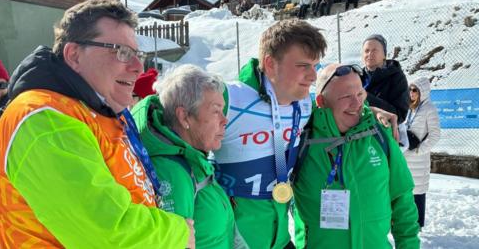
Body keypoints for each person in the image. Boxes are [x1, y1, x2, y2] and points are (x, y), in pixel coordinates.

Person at [0, 0, 194, 248]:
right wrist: (178, 233)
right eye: (121, 52)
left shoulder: (102, 110)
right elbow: (107, 234)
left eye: (138, 54)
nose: (138, 67)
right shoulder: (43, 118)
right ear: (74, 55)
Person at [214, 19, 327, 249]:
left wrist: (369, 112)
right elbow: (173, 109)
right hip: (235, 238)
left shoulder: (304, 104)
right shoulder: (231, 99)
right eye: (303, 65)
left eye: (315, 66)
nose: (313, 76)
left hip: (280, 237)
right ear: (270, 63)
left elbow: (343, 111)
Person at [292, 64, 420, 248]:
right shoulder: (301, 138)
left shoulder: (380, 134)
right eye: (346, 97)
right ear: (321, 101)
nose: (357, 104)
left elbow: (402, 199)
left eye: (360, 94)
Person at [131, 65, 247, 248]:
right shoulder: (171, 173)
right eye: (216, 111)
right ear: (184, 117)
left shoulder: (193, 160)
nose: (225, 121)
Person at [404, 77, 441, 228]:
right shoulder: (409, 108)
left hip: (418, 159)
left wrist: (420, 150)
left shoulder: (429, 109)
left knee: (418, 192)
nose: (411, 93)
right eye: (410, 90)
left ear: (422, 92)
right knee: (405, 191)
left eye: (415, 90)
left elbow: (435, 135)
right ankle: (406, 223)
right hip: (405, 156)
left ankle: (418, 225)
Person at [361, 34, 409, 124]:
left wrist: (366, 97)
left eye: (375, 50)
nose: (370, 54)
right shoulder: (356, 76)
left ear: (384, 55)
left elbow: (399, 115)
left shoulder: (396, 77)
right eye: (366, 51)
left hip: (383, 133)